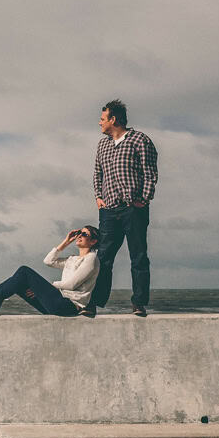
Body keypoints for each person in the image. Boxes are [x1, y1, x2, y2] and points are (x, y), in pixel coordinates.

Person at [84, 98, 158, 318]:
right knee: (104, 257)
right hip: (108, 210)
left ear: (113, 119)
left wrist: (144, 199)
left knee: (138, 256)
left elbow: (150, 173)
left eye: (102, 119)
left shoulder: (140, 140)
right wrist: (98, 196)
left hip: (133, 208)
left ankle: (138, 303)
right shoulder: (102, 144)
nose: (99, 123)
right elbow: (98, 173)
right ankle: (93, 304)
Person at [0, 226, 100, 317]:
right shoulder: (72, 259)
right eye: (79, 233)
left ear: (93, 241)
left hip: (69, 307)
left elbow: (72, 285)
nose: (79, 236)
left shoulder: (91, 259)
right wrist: (65, 242)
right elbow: (49, 261)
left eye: (84, 234)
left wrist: (45, 288)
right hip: (55, 302)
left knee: (24, 271)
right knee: (19, 282)